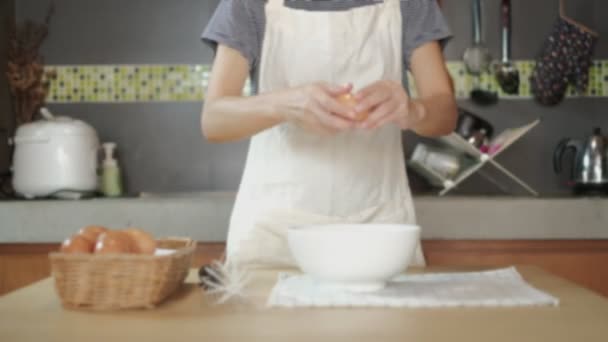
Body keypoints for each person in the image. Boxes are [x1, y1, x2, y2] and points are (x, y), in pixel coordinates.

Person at [201, 0, 457, 267]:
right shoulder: (248, 4)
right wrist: (285, 104)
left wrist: (413, 111)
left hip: (379, 230)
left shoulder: (412, 4)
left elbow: (445, 114)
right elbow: (214, 120)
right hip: (275, 233)